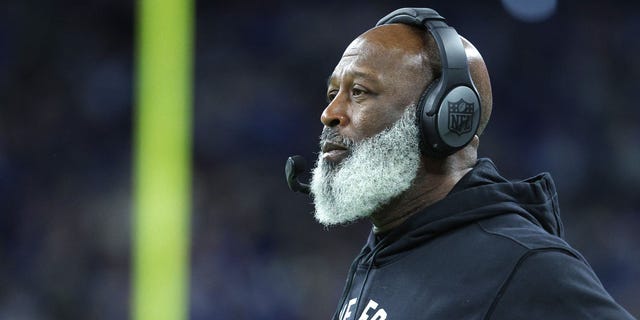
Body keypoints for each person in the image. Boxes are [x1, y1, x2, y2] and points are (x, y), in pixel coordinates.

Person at [305, 7, 637, 320]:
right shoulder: (383, 251)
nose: (329, 113)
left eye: (359, 92)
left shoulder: (525, 265)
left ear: (446, 119)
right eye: (333, 93)